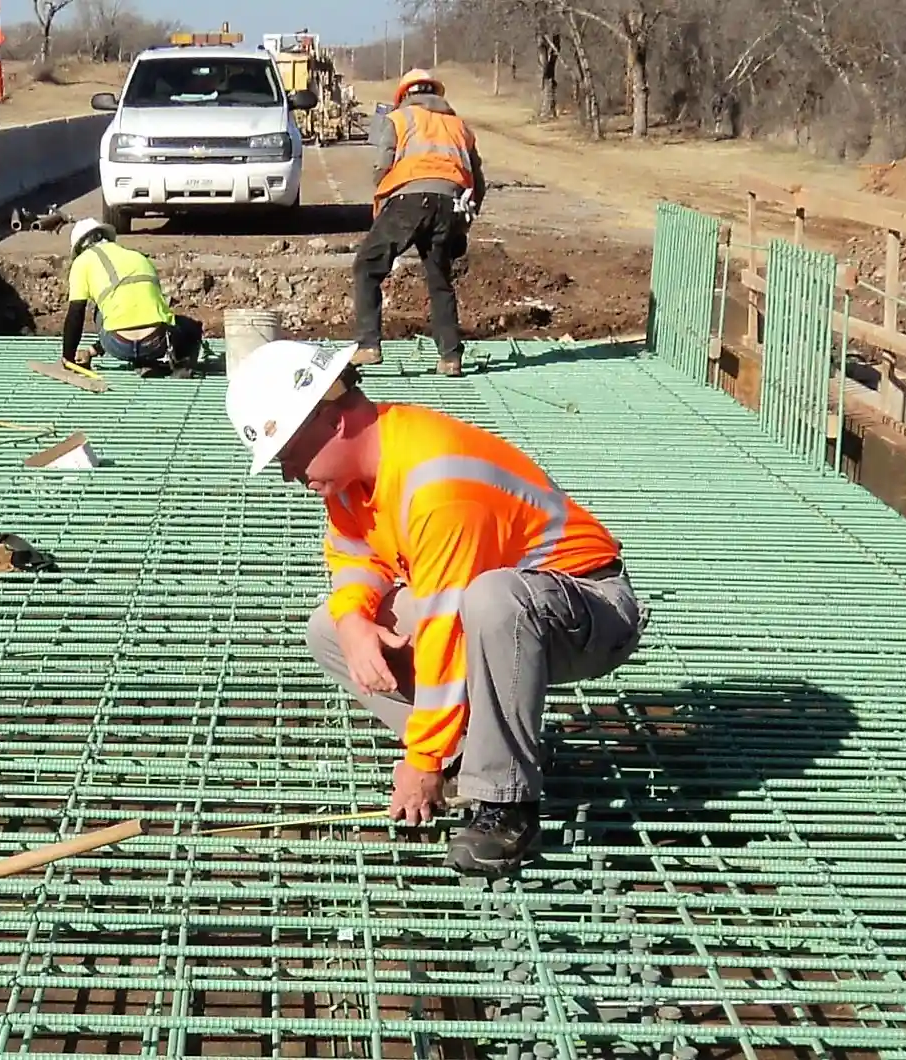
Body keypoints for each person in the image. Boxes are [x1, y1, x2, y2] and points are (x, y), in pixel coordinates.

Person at [225, 340, 649, 877]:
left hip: (588, 608)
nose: (289, 474)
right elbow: (356, 556)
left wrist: (420, 757)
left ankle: (507, 807)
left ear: (332, 421)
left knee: (492, 598)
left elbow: (446, 629)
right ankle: (469, 759)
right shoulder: (352, 480)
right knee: (329, 628)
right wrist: (354, 620)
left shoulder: (437, 480)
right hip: (498, 617)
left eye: (288, 453)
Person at [352, 69, 487, 378]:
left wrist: (385, 196)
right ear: (437, 94)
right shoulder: (459, 126)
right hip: (450, 204)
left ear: (403, 96)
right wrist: (465, 219)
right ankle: (450, 357)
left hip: (409, 202)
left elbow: (382, 167)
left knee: (367, 266)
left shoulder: (399, 119)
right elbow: (478, 181)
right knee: (440, 280)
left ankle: (368, 345)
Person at [62, 218, 204, 378]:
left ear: (79, 248)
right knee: (189, 327)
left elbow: (76, 314)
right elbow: (144, 311)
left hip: (118, 345)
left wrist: (68, 358)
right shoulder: (138, 257)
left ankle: (142, 362)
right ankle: (180, 366)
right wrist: (92, 350)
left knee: (102, 309)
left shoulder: (81, 263)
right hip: (157, 343)